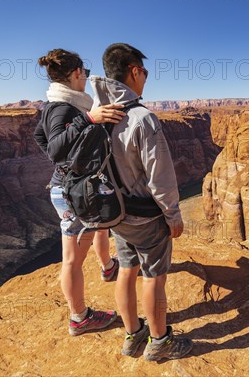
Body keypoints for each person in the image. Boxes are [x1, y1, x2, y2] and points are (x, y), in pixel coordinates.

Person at [89, 43, 193, 360]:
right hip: (145, 218)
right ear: (134, 71)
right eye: (145, 72)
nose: (146, 77)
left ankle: (133, 336)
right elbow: (160, 177)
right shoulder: (142, 119)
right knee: (153, 279)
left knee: (126, 271)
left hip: (114, 214)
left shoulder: (96, 115)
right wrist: (173, 216)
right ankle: (160, 342)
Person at [33, 48, 125, 336]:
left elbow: (40, 136)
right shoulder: (63, 107)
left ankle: (108, 266)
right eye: (84, 72)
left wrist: (68, 160)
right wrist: (89, 119)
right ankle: (79, 317)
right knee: (72, 259)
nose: (85, 77)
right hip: (71, 191)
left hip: (77, 185)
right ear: (76, 74)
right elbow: (56, 147)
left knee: (98, 227)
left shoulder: (57, 103)